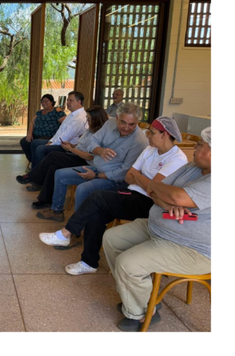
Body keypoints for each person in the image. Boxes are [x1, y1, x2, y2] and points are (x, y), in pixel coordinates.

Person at [41, 114, 184, 272]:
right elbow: (130, 176)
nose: (148, 135)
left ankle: (65, 234)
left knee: (97, 196)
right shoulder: (150, 150)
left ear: (164, 134)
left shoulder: (176, 158)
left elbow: (153, 189)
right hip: (131, 192)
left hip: (150, 203)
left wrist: (139, 177)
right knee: (96, 214)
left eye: (152, 132)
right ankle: (88, 263)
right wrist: (142, 179)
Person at [103, 128, 212, 330]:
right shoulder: (193, 166)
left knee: (128, 264)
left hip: (192, 248)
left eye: (200, 146)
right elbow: (155, 188)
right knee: (111, 238)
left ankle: (142, 312)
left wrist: (173, 196)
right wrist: (169, 201)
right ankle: (142, 298)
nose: (195, 149)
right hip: (158, 227)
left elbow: (172, 194)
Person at [36, 104, 145, 221]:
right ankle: (56, 211)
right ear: (117, 118)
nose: (126, 128)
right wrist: (99, 150)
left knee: (83, 189)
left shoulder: (139, 141)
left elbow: (124, 172)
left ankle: (76, 228)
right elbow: (93, 141)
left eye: (132, 124)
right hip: (94, 168)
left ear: (137, 122)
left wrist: (97, 176)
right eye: (123, 122)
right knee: (59, 174)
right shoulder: (110, 123)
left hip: (112, 180)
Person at [26, 101, 125, 208]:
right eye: (87, 118)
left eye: (89, 119)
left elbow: (89, 156)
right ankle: (45, 200)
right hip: (76, 154)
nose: (87, 121)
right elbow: (80, 144)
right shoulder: (89, 130)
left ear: (96, 119)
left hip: (84, 160)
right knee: (53, 167)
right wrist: (71, 145)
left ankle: (33, 177)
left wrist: (71, 150)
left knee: (53, 155)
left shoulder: (100, 134)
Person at [19, 91, 90, 182]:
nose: (67, 102)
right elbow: (59, 132)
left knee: (41, 149)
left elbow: (65, 138)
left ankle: (38, 180)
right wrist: (51, 142)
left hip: (67, 146)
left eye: (70, 100)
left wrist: (50, 144)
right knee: (34, 143)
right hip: (59, 141)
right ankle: (34, 173)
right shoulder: (72, 114)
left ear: (79, 102)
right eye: (67, 100)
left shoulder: (79, 118)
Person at [21, 92, 64, 168]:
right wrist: (29, 134)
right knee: (24, 141)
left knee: (35, 143)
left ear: (52, 102)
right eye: (42, 102)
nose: (44, 103)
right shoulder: (39, 113)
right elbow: (32, 123)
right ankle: (33, 160)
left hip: (49, 136)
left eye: (46, 101)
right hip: (36, 134)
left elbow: (65, 124)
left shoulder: (57, 112)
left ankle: (36, 167)